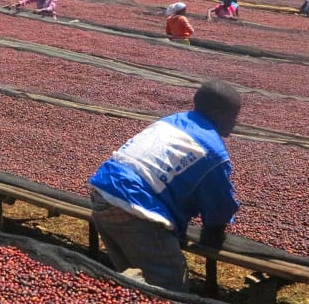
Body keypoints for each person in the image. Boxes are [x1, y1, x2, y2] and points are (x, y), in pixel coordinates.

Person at [87, 80, 242, 292]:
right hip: (133, 206)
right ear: (216, 113)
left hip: (103, 192)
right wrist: (213, 235)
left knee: (135, 278)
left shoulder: (172, 120)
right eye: (233, 115)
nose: (236, 121)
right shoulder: (213, 151)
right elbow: (219, 204)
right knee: (170, 286)